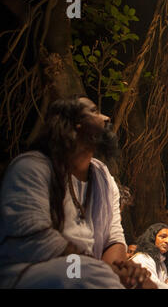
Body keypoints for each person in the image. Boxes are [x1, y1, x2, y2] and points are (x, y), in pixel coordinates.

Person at [0, 96, 155, 289]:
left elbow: (113, 239)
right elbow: (36, 241)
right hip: (33, 272)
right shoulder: (31, 168)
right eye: (94, 111)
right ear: (75, 125)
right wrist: (107, 271)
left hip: (91, 270)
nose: (106, 118)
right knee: (86, 275)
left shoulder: (104, 177)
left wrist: (123, 272)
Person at [130, 223, 168, 289]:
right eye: (163, 237)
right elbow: (153, 285)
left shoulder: (162, 263)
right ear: (152, 239)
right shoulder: (143, 258)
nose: (167, 241)